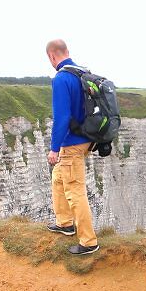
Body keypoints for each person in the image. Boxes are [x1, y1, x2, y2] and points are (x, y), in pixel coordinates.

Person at [45, 39, 99, 255]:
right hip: (86, 138)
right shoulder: (81, 73)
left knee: (75, 191)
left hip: (71, 143)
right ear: (67, 52)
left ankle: (88, 242)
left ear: (51, 56)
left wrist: (54, 148)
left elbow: (62, 117)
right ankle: (65, 223)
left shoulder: (62, 78)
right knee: (58, 177)